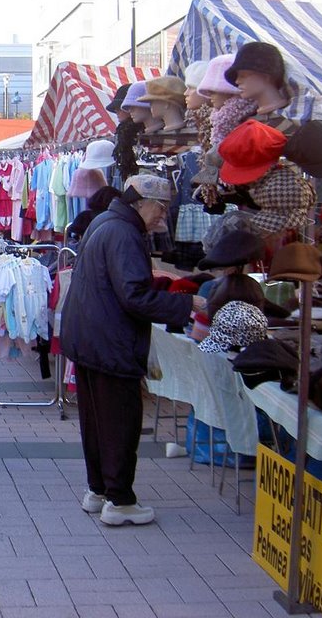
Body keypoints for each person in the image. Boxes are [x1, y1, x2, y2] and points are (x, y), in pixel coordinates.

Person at [60, 174, 204, 525]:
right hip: (110, 341)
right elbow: (134, 296)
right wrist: (188, 305)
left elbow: (118, 283)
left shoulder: (106, 222)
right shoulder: (123, 232)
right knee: (120, 423)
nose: (163, 216)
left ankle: (99, 490)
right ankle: (120, 500)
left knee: (96, 422)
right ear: (141, 203)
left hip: (90, 337)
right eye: (161, 207)